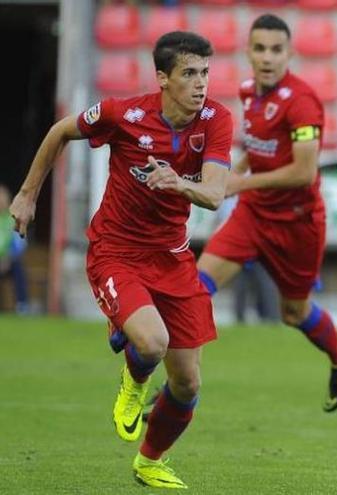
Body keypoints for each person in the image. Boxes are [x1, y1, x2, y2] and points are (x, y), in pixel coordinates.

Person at [10, 31, 232, 488]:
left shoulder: (215, 120)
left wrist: (178, 184)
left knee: (188, 383)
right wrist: (28, 195)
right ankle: (133, 383)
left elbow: (214, 192)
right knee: (152, 342)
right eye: (189, 73)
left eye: (205, 73)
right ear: (162, 78)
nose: (200, 84)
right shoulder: (122, 114)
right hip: (116, 251)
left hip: (172, 257)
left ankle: (149, 461)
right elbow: (60, 131)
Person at [197, 14, 337, 413]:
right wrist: (227, 177)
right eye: (260, 48)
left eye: (276, 50)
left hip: (297, 222)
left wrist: (239, 185)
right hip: (253, 215)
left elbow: (305, 173)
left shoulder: (302, 102)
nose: (267, 57)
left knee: (294, 313)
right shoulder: (248, 91)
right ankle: (181, 384)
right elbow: (255, 147)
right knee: (196, 286)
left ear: (289, 53)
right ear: (248, 52)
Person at [0, 184, 30, 314]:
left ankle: (22, 305)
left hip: (9, 261)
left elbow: (20, 244)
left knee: (19, 268)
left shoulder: (14, 220)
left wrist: (8, 257)